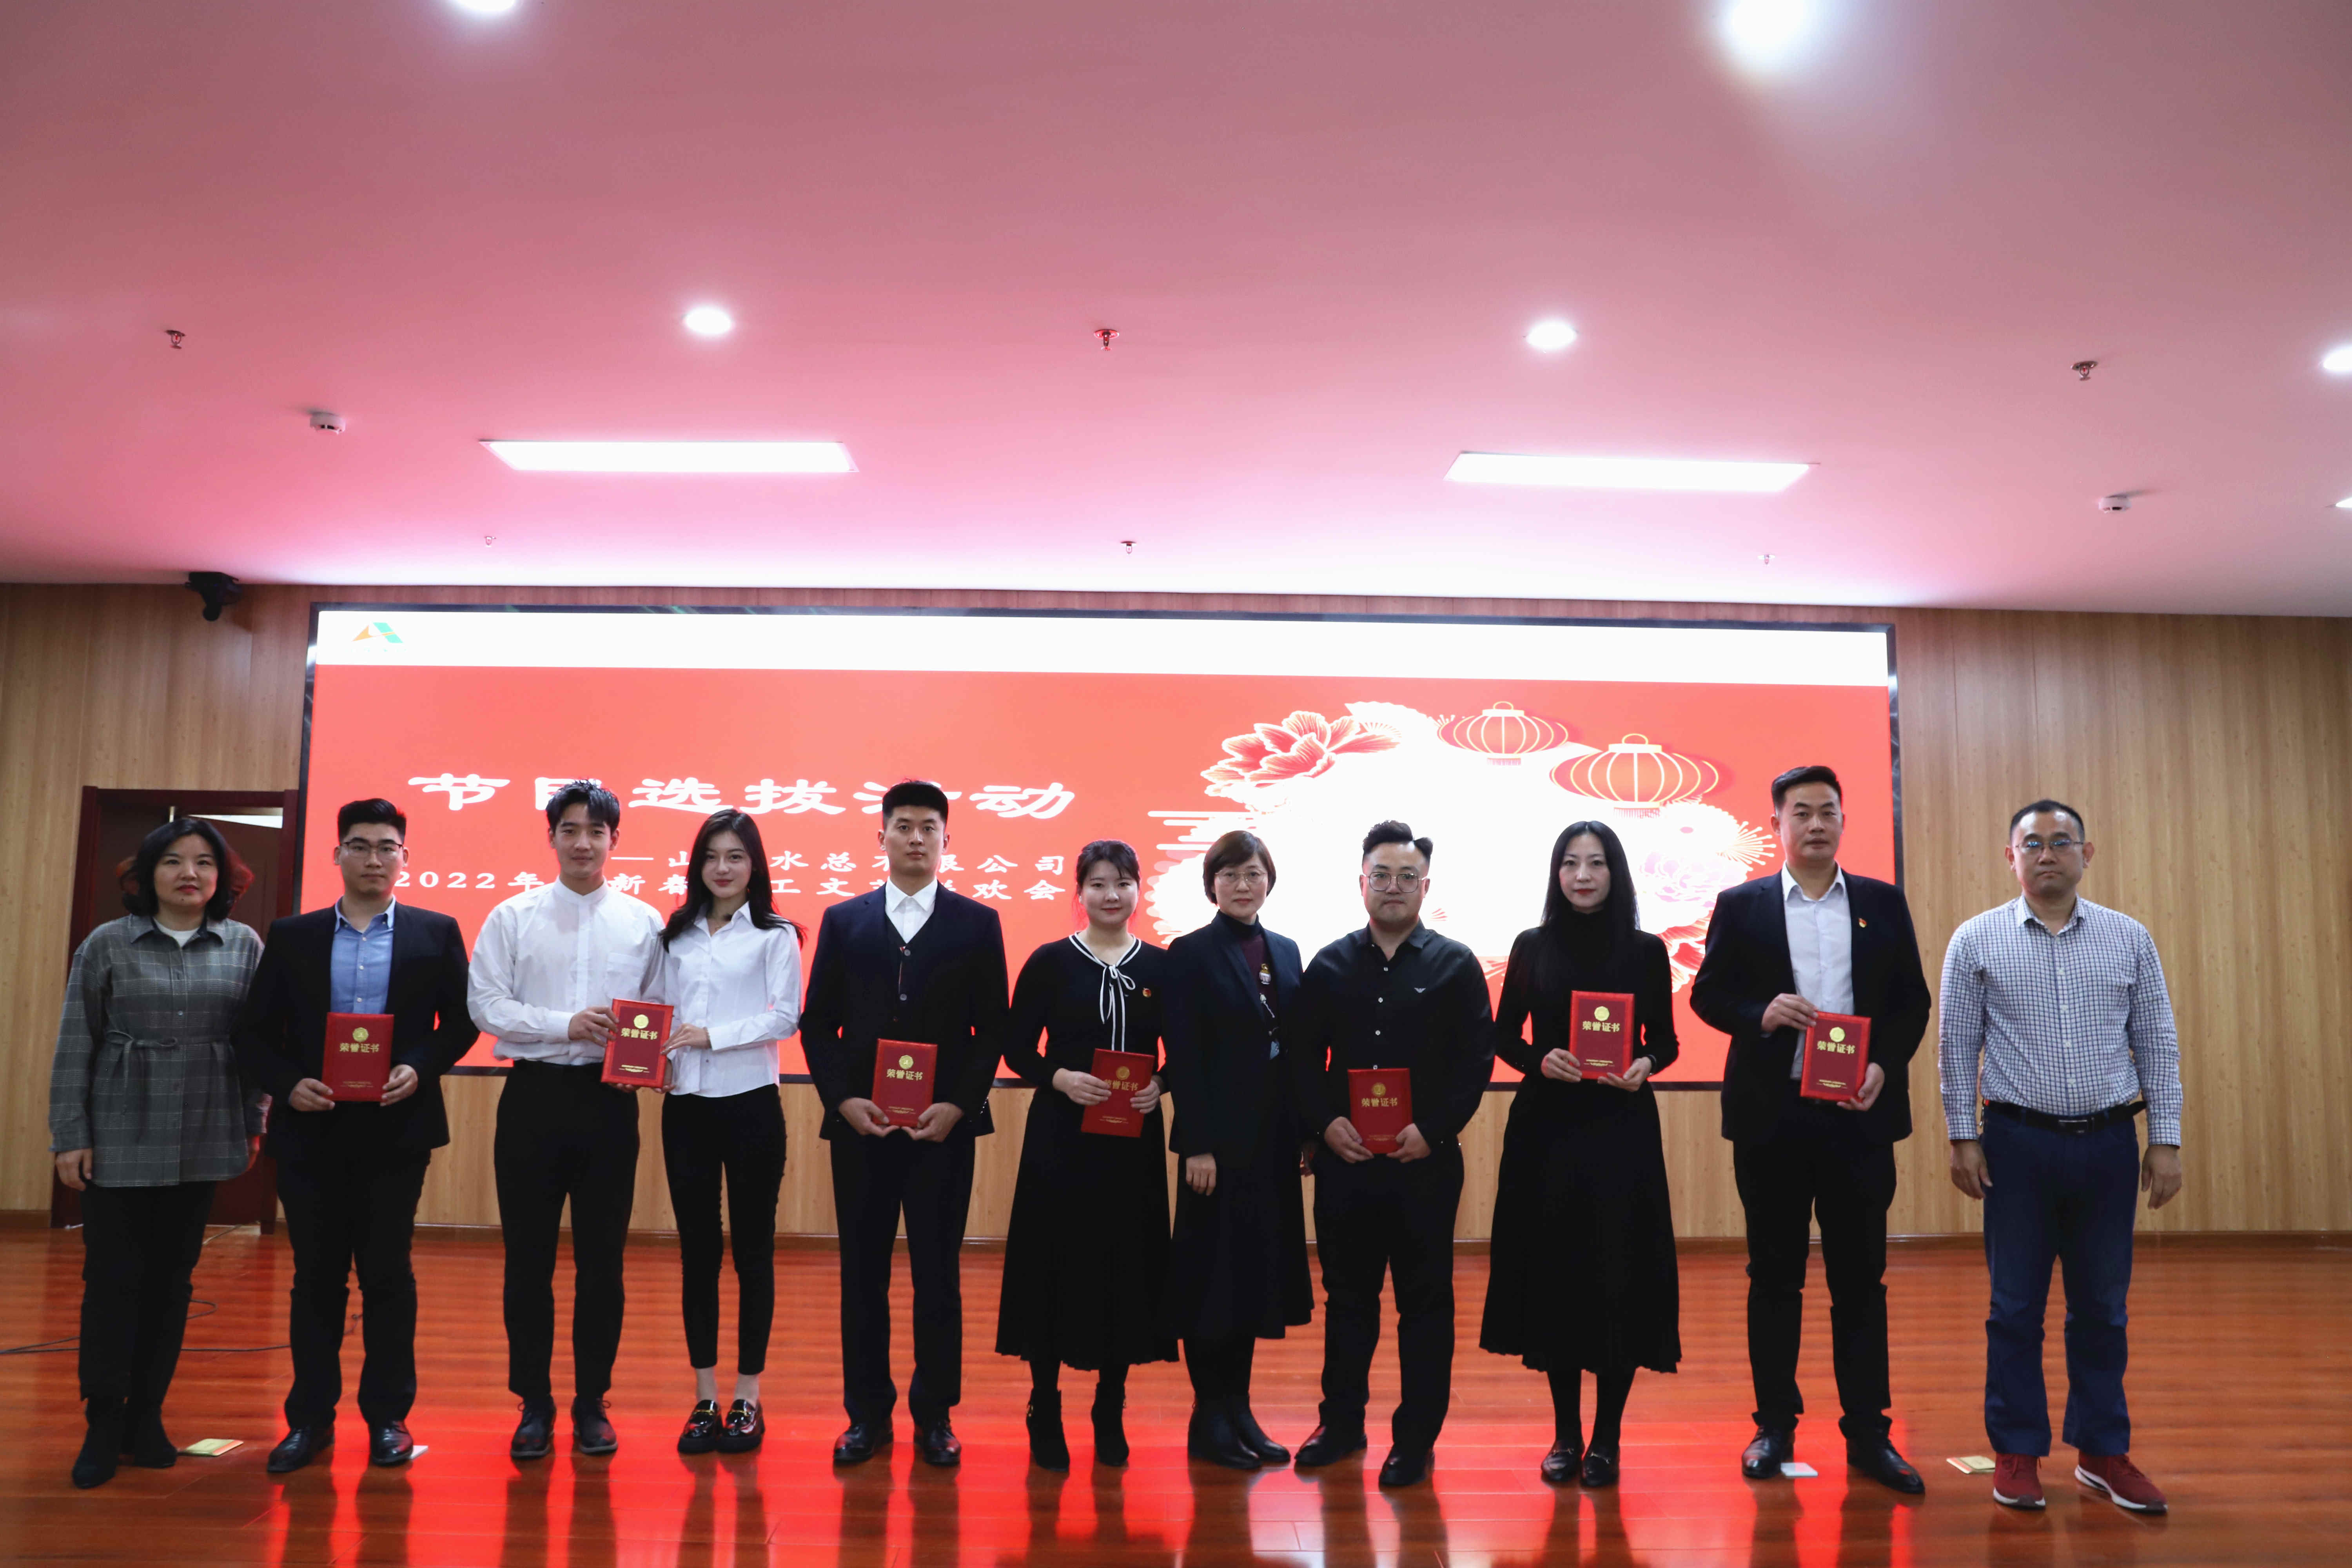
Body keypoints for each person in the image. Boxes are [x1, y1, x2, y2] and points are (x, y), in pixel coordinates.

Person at [1691, 764, 1932, 1494]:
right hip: (1774, 1119)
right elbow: (1707, 994)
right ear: (1777, 825)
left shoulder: (1882, 904)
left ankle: (1869, 1434)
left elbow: (1912, 1003)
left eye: (1829, 811)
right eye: (1802, 812)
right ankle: (1774, 1426)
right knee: (1774, 1277)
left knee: (1861, 1279)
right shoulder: (1742, 905)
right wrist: (1759, 1014)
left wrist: (1884, 1065)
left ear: (1844, 821)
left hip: (1858, 1116)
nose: (1817, 824)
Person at [1939, 800, 2182, 1515]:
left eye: (2062, 842)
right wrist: (1962, 1135)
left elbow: (2157, 1041)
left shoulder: (2128, 938)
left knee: (2103, 1308)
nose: (2047, 854)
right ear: (2010, 857)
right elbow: (1957, 1046)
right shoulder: (1976, 939)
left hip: (2109, 1145)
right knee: (2014, 1307)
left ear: (2087, 853)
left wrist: (2165, 1138)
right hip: (2016, 1145)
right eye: (2033, 844)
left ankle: (2103, 1452)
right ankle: (2017, 1450)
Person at [233, 798, 476, 1474]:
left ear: (405, 858)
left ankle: (389, 1418)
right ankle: (309, 1421)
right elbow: (254, 1035)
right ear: (337, 854)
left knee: (388, 1274)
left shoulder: (436, 931)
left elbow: (461, 1024)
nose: (374, 858)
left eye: (387, 847)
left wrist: (419, 1067)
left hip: (398, 1130)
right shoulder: (294, 935)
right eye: (361, 846)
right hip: (312, 1130)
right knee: (316, 1277)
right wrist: (289, 1085)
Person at [49, 818, 264, 1490]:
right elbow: (76, 1039)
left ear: (223, 878)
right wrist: (70, 1133)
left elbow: (259, 1043)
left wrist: (253, 1122)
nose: (189, 874)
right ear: (147, 875)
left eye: (204, 862)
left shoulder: (244, 945)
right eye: (173, 861)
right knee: (113, 1282)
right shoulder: (107, 943)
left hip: (201, 1129)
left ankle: (147, 1415)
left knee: (173, 1285)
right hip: (119, 1130)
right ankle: (103, 1419)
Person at [802, 780, 1009, 1468]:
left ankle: (935, 1415)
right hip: (861, 1130)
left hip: (940, 1132)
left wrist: (958, 1105)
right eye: (903, 826)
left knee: (938, 1277)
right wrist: (843, 1100)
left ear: (947, 839)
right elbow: (818, 1025)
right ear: (882, 837)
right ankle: (866, 1417)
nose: (916, 838)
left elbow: (992, 1030)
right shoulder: (845, 921)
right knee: (862, 1276)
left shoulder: (978, 923)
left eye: (929, 827)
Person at [1289, 822, 1493, 1488]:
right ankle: (1341, 1424)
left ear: (1426, 887)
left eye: (1408, 877)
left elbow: (1475, 1063)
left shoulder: (1456, 965)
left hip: (1424, 1165)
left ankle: (1415, 1440)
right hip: (1346, 1164)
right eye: (1382, 875)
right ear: (1362, 883)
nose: (1394, 887)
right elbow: (1302, 1060)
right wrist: (1325, 1125)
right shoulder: (1329, 965)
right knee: (1348, 1299)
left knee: (1424, 1303)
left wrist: (1433, 1129)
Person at [1479, 821, 1681, 1488]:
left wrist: (1646, 1064)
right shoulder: (1531, 946)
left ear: (1615, 873)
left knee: (1618, 1275)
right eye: (1570, 863)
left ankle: (1608, 1439)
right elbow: (1504, 1036)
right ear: (1556, 873)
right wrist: (1541, 1060)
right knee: (1558, 1279)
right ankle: (1566, 1435)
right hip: (1548, 1131)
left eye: (1596, 863)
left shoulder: (1647, 951)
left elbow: (1666, 1041)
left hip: (1621, 1130)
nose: (1583, 876)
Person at [468, 780, 664, 1460]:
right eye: (570, 830)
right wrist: (566, 1024)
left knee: (603, 1263)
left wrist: (645, 1056)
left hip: (609, 1104)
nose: (583, 843)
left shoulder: (644, 923)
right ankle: (534, 1403)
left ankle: (591, 1402)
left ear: (615, 840)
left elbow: (656, 1010)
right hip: (533, 1100)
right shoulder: (512, 917)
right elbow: (486, 1005)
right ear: (551, 837)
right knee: (528, 1260)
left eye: (596, 832)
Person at [995, 839, 1178, 1471]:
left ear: (1138, 892)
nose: (1111, 895)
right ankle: (1044, 1404)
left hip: (1133, 1142)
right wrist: (1059, 1078)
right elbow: (1017, 1047)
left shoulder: (1162, 968)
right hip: (1061, 1137)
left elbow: (1185, 1049)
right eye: (1098, 884)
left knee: (1125, 1263)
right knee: (1053, 1261)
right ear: (1079, 894)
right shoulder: (1050, 962)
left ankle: (1110, 1404)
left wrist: (1162, 1084)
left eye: (1123, 883)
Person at [651, 808, 802, 1456]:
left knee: (753, 1253)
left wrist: (712, 1036)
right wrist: (649, 1059)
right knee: (697, 1253)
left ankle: (748, 1397)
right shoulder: (674, 935)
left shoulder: (776, 935)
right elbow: (657, 1016)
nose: (723, 867)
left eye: (736, 856)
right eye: (712, 855)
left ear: (754, 865)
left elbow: (786, 1016)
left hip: (751, 1106)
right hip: (685, 1107)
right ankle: (705, 1396)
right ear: (698, 864)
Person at [1162, 829, 1312, 1472]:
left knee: (1253, 1279)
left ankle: (1240, 1409)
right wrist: (1196, 1144)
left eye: (1253, 873)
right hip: (1215, 1152)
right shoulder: (1190, 953)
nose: (1243, 885)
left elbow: (1298, 1051)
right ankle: (1209, 1417)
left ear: (1269, 880)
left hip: (1271, 1146)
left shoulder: (1287, 950)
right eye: (1229, 875)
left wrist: (1305, 1134)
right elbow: (1184, 1054)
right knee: (1211, 1284)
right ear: (1212, 885)